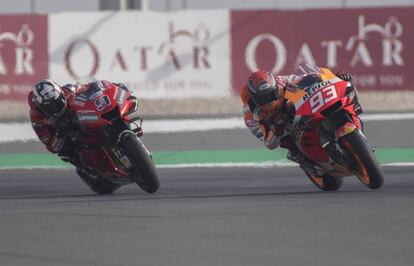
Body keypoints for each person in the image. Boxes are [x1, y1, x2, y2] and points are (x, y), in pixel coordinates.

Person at [28, 79, 129, 193]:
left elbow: (90, 88)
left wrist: (112, 88)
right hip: (68, 136)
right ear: (41, 107)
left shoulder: (68, 89)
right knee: (67, 151)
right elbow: (52, 146)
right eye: (51, 106)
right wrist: (59, 132)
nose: (57, 107)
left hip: (84, 119)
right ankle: (86, 167)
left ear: (60, 92)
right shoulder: (38, 120)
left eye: (58, 101)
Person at [240, 67, 353, 167]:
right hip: (280, 129)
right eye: (263, 98)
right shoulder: (249, 115)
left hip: (297, 109)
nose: (269, 101)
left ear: (275, 87)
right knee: (287, 142)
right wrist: (278, 129)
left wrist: (335, 77)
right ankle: (301, 157)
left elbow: (311, 78)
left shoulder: (282, 82)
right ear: (254, 98)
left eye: (271, 94)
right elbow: (269, 143)